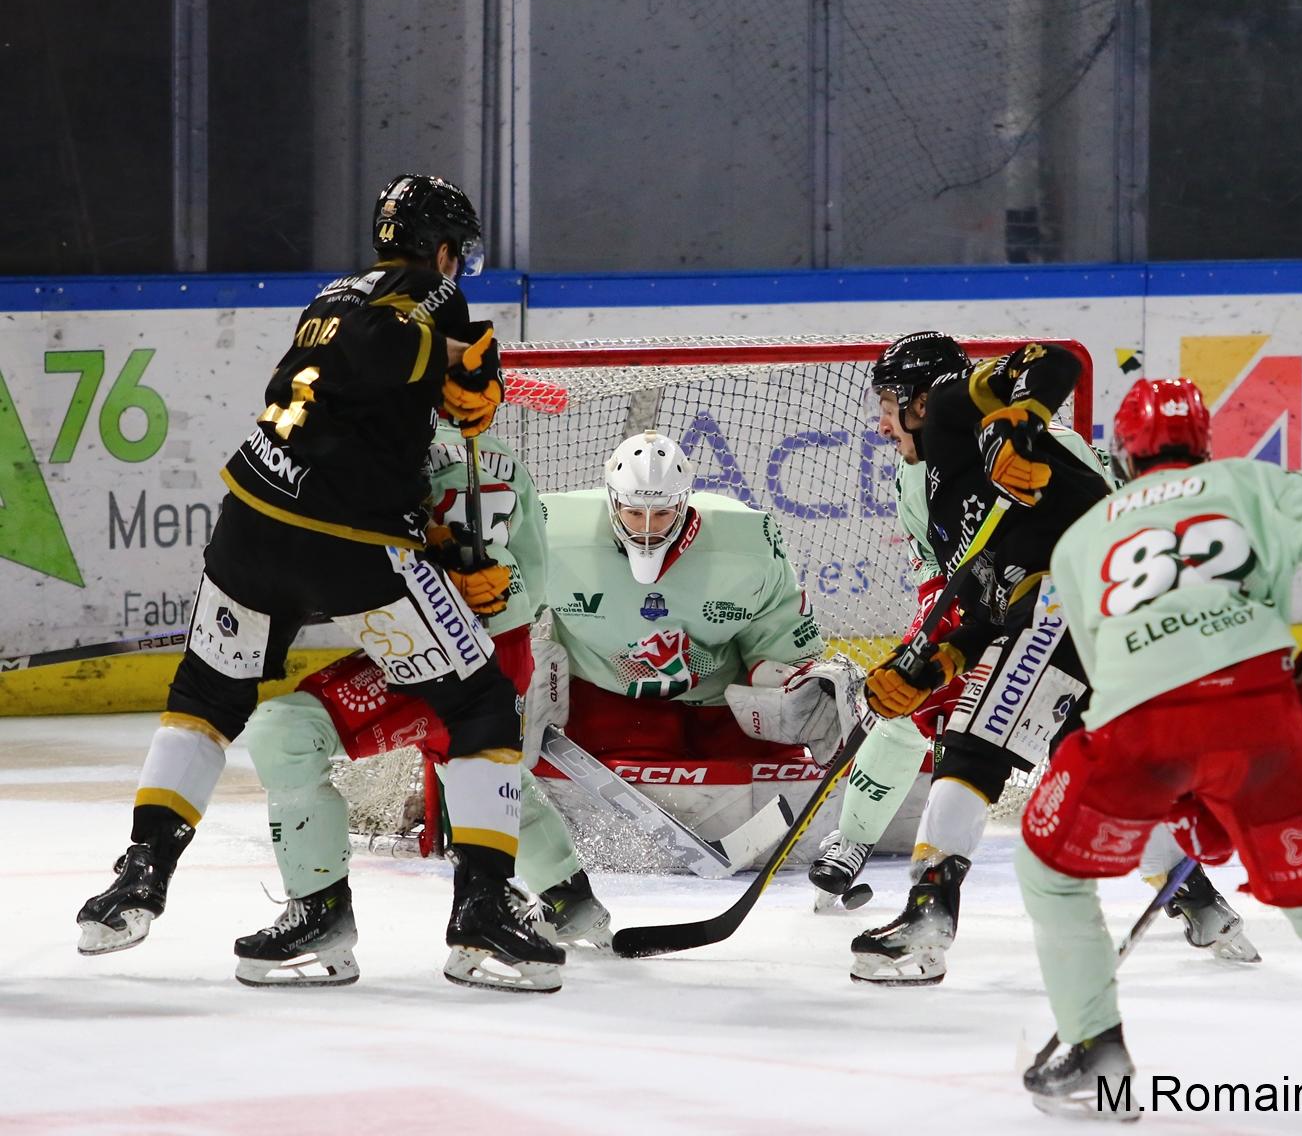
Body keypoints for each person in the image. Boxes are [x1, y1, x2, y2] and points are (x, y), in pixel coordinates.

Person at [75, 173, 565, 992]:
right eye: (458, 257)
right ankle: (481, 914)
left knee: (204, 697)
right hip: (345, 544)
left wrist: (441, 535)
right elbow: (384, 352)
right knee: (480, 702)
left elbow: (355, 408)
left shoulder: (332, 292)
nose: (458, 274)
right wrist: (462, 365)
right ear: (440, 248)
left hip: (250, 521)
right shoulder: (426, 291)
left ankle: (141, 878)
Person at [1018, 377, 1302, 1121]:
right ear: (1203, 444)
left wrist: (1179, 790)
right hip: (1259, 719)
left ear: (1123, 457)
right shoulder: (1252, 482)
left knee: (1050, 872)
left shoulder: (1081, 538)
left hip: (1140, 728)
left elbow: (1113, 678)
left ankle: (1098, 1051)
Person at [848, 333, 1255, 987]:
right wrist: (929, 670)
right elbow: (986, 617)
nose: (882, 420)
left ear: (922, 398)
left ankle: (927, 923)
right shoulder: (947, 504)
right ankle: (1203, 907)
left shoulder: (959, 414)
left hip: (1080, 608)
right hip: (1095, 627)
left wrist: (1018, 420)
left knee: (972, 751)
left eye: (891, 401)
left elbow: (1057, 360)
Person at [231, 420, 610, 987]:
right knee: (469, 765)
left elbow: (348, 570)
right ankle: (568, 897)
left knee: (283, 734)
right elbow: (533, 569)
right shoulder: (495, 453)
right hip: (489, 647)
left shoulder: (365, 456)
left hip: (448, 653)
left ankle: (321, 914)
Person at [535, 431, 858, 805]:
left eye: (662, 513)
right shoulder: (551, 532)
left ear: (684, 502)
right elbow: (510, 613)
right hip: (608, 695)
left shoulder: (749, 541)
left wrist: (796, 680)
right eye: (634, 512)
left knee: (771, 780)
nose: (647, 528)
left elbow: (778, 631)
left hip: (720, 699)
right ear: (612, 501)